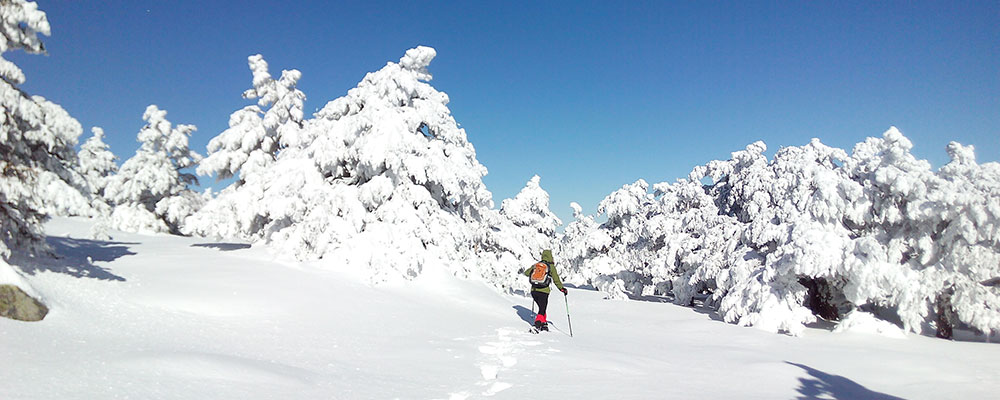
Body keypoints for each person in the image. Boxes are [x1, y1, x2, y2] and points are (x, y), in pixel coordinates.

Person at [522, 249, 567, 331]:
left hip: (534, 291)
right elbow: (556, 279)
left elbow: (526, 273)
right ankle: (537, 324)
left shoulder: (536, 265)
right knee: (542, 309)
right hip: (544, 291)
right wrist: (562, 289)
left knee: (542, 308)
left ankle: (543, 323)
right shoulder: (551, 267)